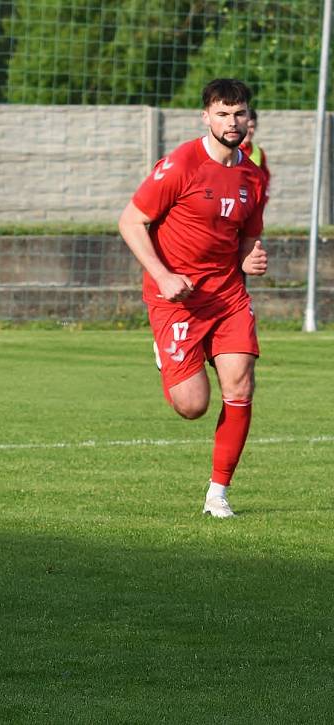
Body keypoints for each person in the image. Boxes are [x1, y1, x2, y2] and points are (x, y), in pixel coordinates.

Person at [118, 78, 268, 518]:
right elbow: (130, 222)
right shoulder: (182, 164)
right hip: (177, 299)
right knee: (193, 406)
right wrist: (163, 275)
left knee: (240, 383)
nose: (231, 121)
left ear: (248, 118)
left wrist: (251, 261)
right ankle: (169, 355)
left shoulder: (252, 176)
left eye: (239, 113)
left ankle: (217, 494)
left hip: (227, 296)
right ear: (206, 116)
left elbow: (246, 241)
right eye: (222, 113)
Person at [240, 109, 271, 193]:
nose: (248, 131)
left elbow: (265, 179)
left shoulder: (259, 152)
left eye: (252, 127)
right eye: (245, 126)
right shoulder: (226, 150)